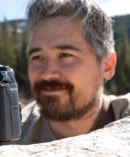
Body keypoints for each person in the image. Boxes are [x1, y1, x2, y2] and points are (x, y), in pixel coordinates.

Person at [18, 0, 130, 144]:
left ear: (107, 66)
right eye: (38, 57)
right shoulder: (10, 137)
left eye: (65, 55)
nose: (47, 74)